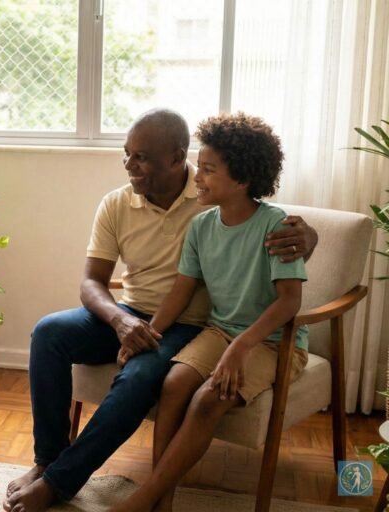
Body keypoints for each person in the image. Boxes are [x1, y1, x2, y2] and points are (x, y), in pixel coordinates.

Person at [4, 108, 318, 512]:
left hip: (193, 326)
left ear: (176, 158)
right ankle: (47, 461)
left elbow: (263, 221)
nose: (128, 166)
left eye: (141, 157)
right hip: (133, 313)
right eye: (127, 154)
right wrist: (122, 321)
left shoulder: (209, 198)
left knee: (138, 379)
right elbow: (90, 282)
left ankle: (61, 482)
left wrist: (308, 236)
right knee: (48, 333)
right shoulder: (119, 204)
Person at [111, 112, 308, 512]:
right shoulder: (201, 226)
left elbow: (290, 301)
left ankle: (145, 498)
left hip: (270, 341)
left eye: (207, 169)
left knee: (206, 400)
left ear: (242, 178)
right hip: (219, 333)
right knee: (173, 385)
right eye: (198, 167)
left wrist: (241, 347)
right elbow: (181, 292)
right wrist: (147, 334)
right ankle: (163, 502)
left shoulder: (277, 227)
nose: (196, 177)